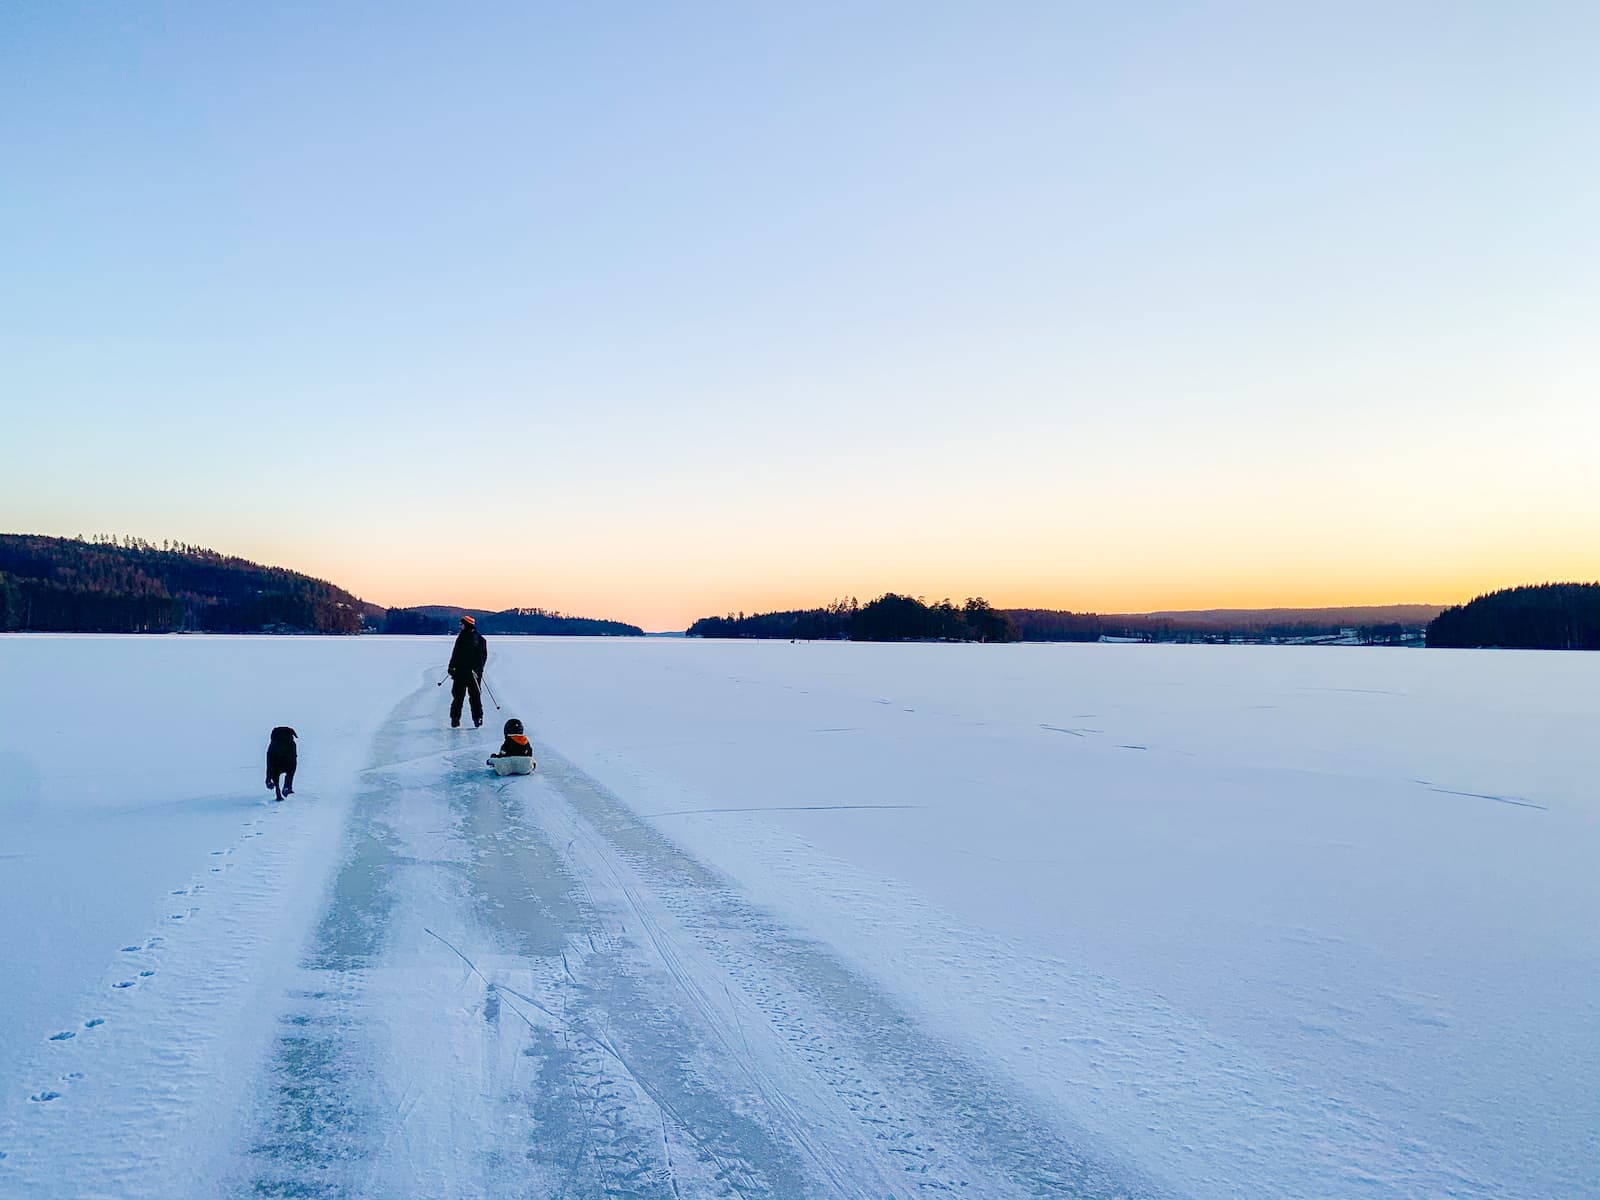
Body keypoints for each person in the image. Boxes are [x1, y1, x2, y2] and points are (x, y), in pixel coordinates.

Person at [447, 614, 488, 728]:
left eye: (461, 624)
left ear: (467, 625)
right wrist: (478, 671)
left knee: (459, 698)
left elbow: (456, 655)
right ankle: (477, 719)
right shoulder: (480, 639)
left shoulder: (466, 638)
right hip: (472, 674)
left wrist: (452, 667)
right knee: (473, 698)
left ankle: (456, 719)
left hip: (464, 674)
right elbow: (483, 658)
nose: (460, 626)